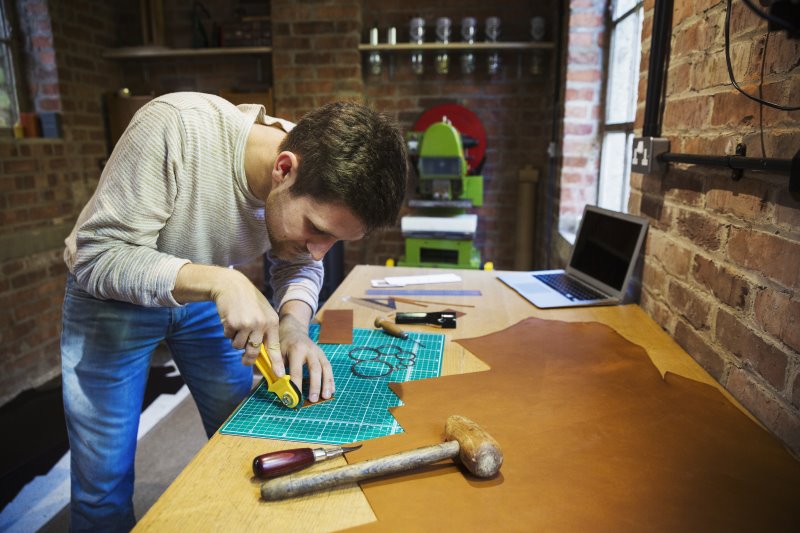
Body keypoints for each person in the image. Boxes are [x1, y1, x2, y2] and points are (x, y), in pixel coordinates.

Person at [60, 92, 408, 531]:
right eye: (316, 230)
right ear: (283, 169)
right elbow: (98, 257)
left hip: (202, 298)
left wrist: (295, 326)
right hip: (108, 301)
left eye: (334, 240)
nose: (319, 252)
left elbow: (299, 262)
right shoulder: (174, 128)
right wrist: (223, 281)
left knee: (243, 434)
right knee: (103, 484)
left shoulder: (311, 171)